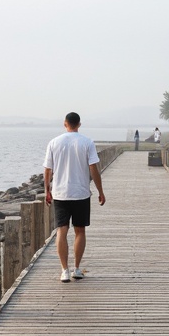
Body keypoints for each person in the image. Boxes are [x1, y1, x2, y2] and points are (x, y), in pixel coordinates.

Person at [44, 112, 106, 283]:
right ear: (79, 124)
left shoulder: (54, 142)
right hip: (81, 192)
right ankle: (77, 269)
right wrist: (100, 191)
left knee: (61, 231)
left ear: (65, 124)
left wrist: (47, 190)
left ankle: (64, 270)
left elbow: (48, 169)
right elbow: (93, 168)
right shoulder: (87, 142)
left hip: (60, 193)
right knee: (80, 231)